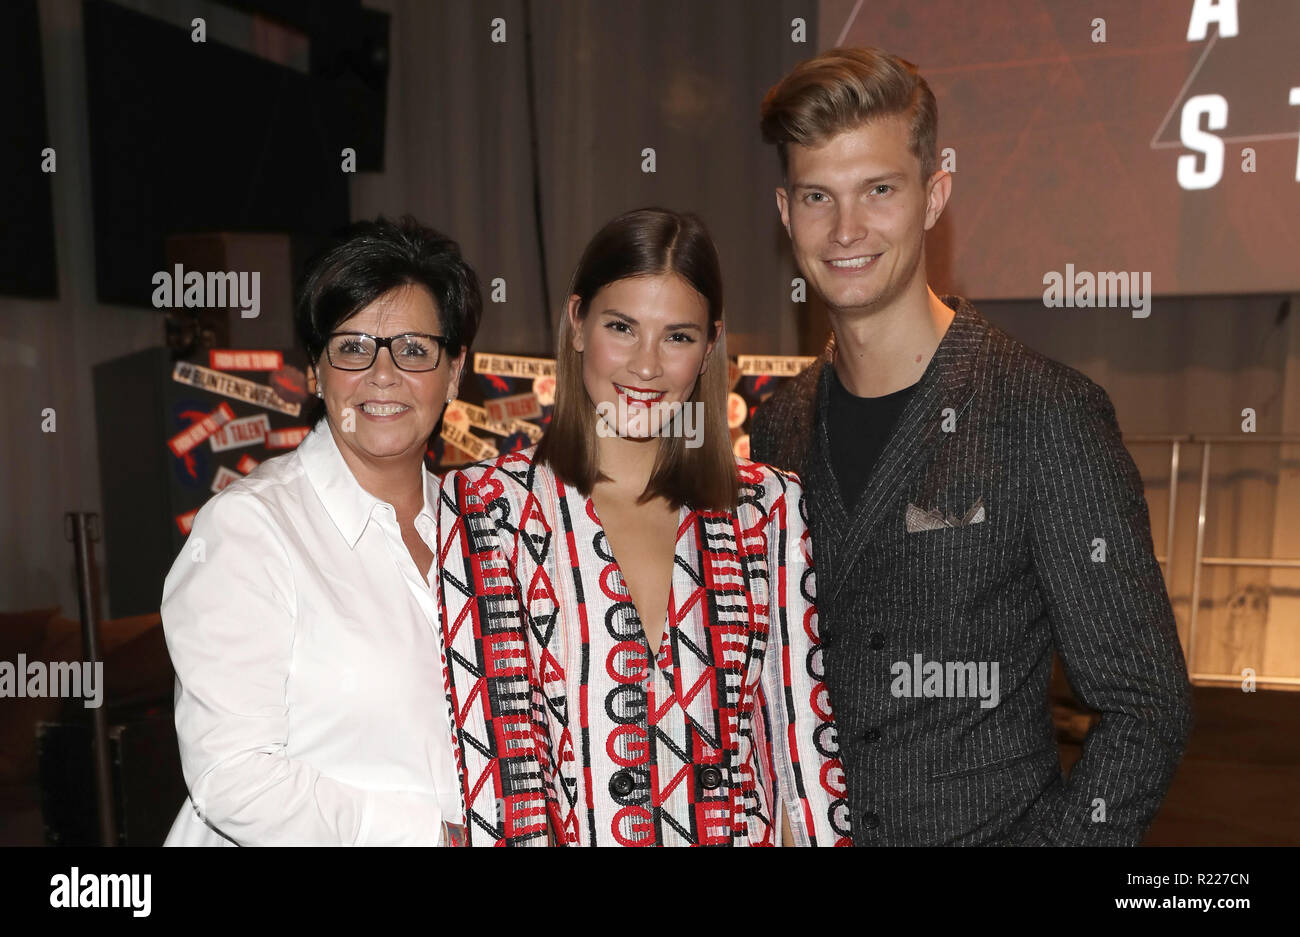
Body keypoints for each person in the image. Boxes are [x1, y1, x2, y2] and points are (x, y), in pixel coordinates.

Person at [750, 48, 1193, 846]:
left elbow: (1145, 701)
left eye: (879, 190)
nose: (846, 229)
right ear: (787, 215)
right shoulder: (778, 428)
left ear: (933, 196)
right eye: (819, 197)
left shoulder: (1043, 412)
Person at [437, 208, 850, 846]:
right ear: (576, 323)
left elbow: (802, 763)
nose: (647, 365)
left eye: (678, 336)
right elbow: (503, 780)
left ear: (711, 346)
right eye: (622, 327)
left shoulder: (767, 509)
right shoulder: (491, 508)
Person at [161, 216, 479, 845]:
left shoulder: (483, 535)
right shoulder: (250, 531)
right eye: (352, 347)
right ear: (315, 370)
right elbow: (231, 776)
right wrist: (432, 837)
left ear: (455, 370)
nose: (382, 375)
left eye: (415, 349)